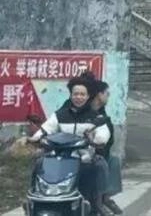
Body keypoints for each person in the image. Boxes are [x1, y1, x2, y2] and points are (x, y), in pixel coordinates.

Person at [27, 76, 111, 216]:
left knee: (100, 165)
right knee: (39, 162)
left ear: (88, 96)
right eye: (75, 94)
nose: (78, 97)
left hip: (84, 157)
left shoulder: (96, 117)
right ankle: (33, 200)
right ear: (71, 95)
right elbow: (46, 129)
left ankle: (99, 203)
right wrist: (34, 138)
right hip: (58, 155)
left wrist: (96, 140)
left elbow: (103, 135)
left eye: (82, 94)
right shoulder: (60, 115)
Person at [90, 80, 123, 215]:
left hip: (102, 151)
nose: (108, 97)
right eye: (106, 94)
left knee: (114, 160)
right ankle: (98, 201)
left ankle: (105, 197)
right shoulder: (86, 112)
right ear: (99, 94)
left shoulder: (102, 113)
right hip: (87, 152)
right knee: (101, 164)